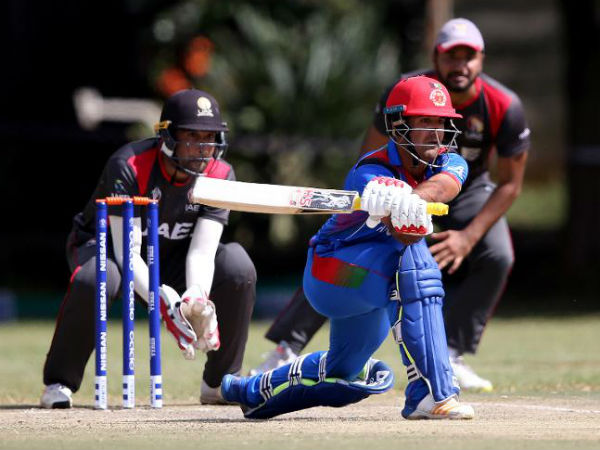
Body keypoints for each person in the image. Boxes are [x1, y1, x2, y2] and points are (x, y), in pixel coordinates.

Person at [252, 18, 530, 392]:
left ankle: (449, 354)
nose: (460, 65)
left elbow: (506, 183)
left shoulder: (502, 107)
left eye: (469, 56)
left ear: (482, 59)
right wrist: (377, 193)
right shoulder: (402, 94)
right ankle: (288, 348)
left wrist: (459, 232)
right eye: (452, 56)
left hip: (462, 187)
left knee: (497, 254)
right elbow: (372, 157)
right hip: (387, 189)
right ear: (436, 56)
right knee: (357, 245)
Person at [222, 75, 474, 420]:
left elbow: (446, 185)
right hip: (334, 273)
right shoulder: (367, 172)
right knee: (415, 258)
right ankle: (431, 393)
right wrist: (389, 204)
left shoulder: (450, 161)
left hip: (377, 280)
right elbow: (401, 233)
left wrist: (412, 199)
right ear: (398, 125)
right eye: (425, 121)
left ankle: (251, 389)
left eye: (441, 122)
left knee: (343, 375)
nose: (436, 132)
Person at [40, 89, 257, 408]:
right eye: (192, 136)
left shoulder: (221, 174)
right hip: (107, 248)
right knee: (100, 277)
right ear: (167, 136)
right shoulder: (129, 165)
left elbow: (202, 252)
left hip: (173, 256)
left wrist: (195, 298)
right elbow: (127, 253)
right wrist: (162, 302)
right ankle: (59, 382)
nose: (202, 148)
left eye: (209, 137)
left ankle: (219, 383)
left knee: (237, 264)